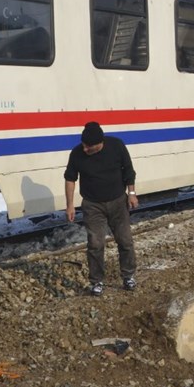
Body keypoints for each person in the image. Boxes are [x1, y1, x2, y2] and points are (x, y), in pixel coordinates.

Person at [64, 121, 139, 296]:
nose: (85, 149)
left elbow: (128, 170)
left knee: (125, 241)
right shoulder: (76, 154)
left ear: (101, 143)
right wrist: (69, 205)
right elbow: (70, 179)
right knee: (95, 244)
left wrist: (132, 193)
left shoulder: (116, 146)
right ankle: (96, 281)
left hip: (118, 202)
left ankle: (128, 276)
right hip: (92, 205)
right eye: (83, 145)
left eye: (89, 147)